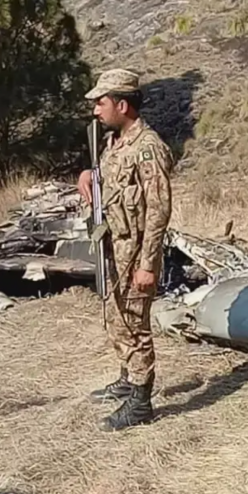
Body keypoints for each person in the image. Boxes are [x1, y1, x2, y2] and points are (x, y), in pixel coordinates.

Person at [77, 69, 174, 432]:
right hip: (113, 251)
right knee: (117, 318)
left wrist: (148, 265)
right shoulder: (116, 143)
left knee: (135, 325)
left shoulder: (148, 148)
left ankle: (140, 400)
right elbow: (112, 183)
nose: (95, 111)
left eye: (100, 103)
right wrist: (90, 174)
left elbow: (159, 210)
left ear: (122, 104)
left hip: (135, 256)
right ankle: (126, 376)